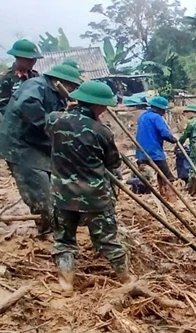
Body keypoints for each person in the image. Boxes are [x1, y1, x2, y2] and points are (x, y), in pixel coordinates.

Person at [47, 80, 131, 294]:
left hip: (62, 195)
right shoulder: (102, 131)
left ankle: (66, 283)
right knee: (108, 240)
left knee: (64, 241)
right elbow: (113, 163)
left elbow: (50, 130)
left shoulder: (55, 120)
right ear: (98, 106)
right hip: (94, 196)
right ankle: (125, 278)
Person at [0, 64, 83, 236]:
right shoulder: (37, 86)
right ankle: (51, 231)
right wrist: (56, 120)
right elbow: (28, 107)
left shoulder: (55, 93)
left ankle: (53, 222)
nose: (72, 90)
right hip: (19, 147)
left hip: (37, 144)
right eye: (72, 86)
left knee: (55, 184)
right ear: (60, 81)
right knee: (40, 190)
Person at [135, 96, 178, 199]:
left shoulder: (143, 116)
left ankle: (159, 192)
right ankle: (170, 196)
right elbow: (164, 133)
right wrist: (173, 139)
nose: (164, 112)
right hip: (153, 151)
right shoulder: (156, 117)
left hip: (141, 151)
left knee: (152, 173)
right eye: (163, 110)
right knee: (167, 175)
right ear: (159, 108)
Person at [0, 39, 43, 114]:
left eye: (34, 59)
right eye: (29, 59)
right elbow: (5, 108)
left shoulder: (36, 76)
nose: (33, 62)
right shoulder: (4, 79)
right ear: (18, 57)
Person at [177, 104, 196, 194]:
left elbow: (184, 136)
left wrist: (178, 145)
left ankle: (191, 187)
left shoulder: (191, 123)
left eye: (187, 113)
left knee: (192, 166)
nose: (186, 115)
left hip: (195, 147)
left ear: (192, 113)